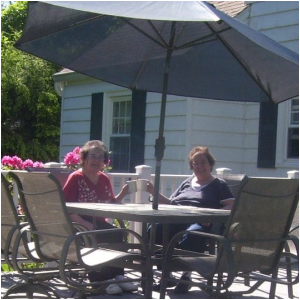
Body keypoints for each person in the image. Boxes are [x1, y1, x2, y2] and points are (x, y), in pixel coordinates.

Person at [147, 146, 234, 294]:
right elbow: (170, 203)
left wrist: (212, 216)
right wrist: (153, 192)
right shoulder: (187, 182)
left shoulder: (218, 184)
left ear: (210, 164)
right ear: (191, 166)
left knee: (191, 235)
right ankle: (166, 274)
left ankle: (186, 276)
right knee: (156, 229)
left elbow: (232, 206)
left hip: (200, 223)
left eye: (203, 162)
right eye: (195, 163)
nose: (199, 166)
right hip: (176, 219)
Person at [63, 140, 137, 295]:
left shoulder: (104, 179)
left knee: (117, 233)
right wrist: (83, 222)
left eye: (100, 157)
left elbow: (110, 204)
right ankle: (102, 280)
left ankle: (118, 276)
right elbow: (65, 207)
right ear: (84, 158)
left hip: (98, 223)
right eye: (93, 156)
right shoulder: (75, 178)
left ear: (104, 161)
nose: (97, 160)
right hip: (79, 224)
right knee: (98, 235)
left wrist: (123, 193)